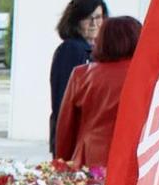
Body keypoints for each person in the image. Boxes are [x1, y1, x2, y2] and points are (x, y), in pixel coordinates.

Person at [54, 15, 142, 170]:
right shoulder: (150, 76)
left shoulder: (81, 75)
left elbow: (65, 129)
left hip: (89, 159)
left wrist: (62, 163)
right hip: (135, 159)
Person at [48, 0, 108, 142]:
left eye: (98, 17)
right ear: (75, 21)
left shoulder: (97, 50)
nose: (94, 23)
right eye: (88, 18)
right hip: (73, 137)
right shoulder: (71, 49)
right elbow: (62, 99)